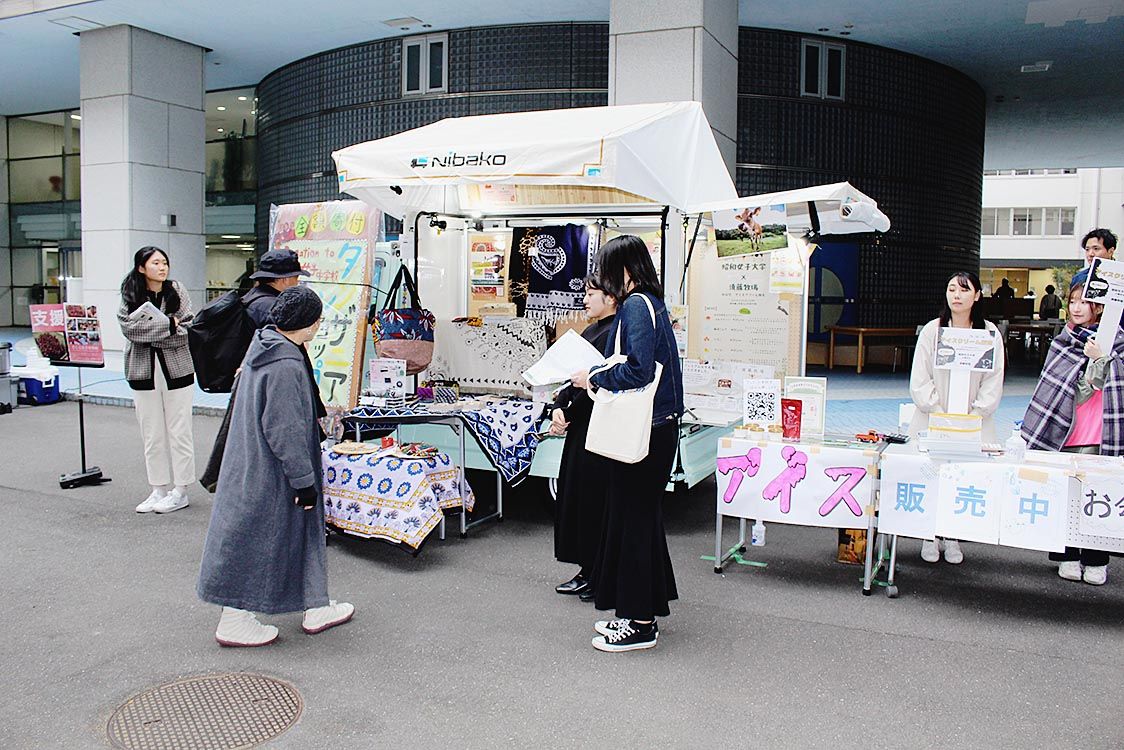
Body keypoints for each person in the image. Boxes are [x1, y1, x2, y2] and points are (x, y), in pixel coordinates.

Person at [197, 285, 352, 647]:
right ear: (310, 324)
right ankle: (235, 619)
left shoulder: (265, 346)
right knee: (258, 537)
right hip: (272, 471)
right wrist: (304, 481)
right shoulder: (284, 364)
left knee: (281, 535)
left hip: (251, 461)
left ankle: (315, 604)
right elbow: (285, 429)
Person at [569, 235, 683, 653]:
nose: (601, 278)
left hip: (645, 429)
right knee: (642, 522)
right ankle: (642, 612)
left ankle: (639, 624)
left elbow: (637, 370)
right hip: (657, 426)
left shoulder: (636, 305)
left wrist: (593, 377)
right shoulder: (651, 303)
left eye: (605, 269)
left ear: (626, 270)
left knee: (633, 524)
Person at [1022, 269, 1122, 585]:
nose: (1076, 308)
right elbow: (1076, 390)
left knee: (1097, 499)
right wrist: (1096, 361)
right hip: (1066, 432)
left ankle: (1096, 559)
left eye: (1084, 302)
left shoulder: (1117, 341)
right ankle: (1067, 555)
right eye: (1073, 301)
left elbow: (1110, 384)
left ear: (1099, 306)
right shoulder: (1064, 341)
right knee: (1066, 498)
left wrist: (1102, 357)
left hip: (1101, 435)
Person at [908, 271, 1005, 565]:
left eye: (964, 289)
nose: (957, 295)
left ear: (977, 295)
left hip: (973, 422)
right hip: (933, 419)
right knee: (931, 476)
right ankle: (929, 535)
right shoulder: (932, 330)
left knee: (963, 480)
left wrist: (977, 413)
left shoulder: (989, 333)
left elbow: (993, 379)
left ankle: (953, 536)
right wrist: (936, 410)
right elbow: (920, 377)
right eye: (952, 289)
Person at [200, 248, 308, 491]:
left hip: (249, 378)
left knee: (245, 438)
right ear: (283, 280)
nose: (297, 282)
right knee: (272, 438)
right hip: (269, 382)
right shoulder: (272, 307)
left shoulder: (252, 298)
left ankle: (230, 483)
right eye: (295, 277)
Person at [549, 276, 618, 601]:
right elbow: (572, 379)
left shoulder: (615, 334)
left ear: (611, 297)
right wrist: (558, 407)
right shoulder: (591, 330)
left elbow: (599, 385)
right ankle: (588, 570)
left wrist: (568, 411)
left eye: (592, 294)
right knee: (577, 498)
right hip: (580, 428)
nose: (585, 300)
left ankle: (597, 573)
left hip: (599, 429)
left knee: (593, 501)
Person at [117, 246, 196, 514]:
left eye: (164, 263)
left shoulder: (177, 290)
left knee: (180, 431)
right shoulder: (130, 293)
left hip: (178, 370)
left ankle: (181, 490)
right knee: (151, 434)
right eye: (155, 263)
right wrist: (169, 325)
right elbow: (129, 330)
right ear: (142, 268)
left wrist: (155, 331)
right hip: (142, 371)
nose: (162, 268)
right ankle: (158, 489)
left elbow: (188, 328)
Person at [241, 248, 310, 326]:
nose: (297, 283)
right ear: (285, 279)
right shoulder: (275, 307)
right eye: (296, 278)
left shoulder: (253, 295)